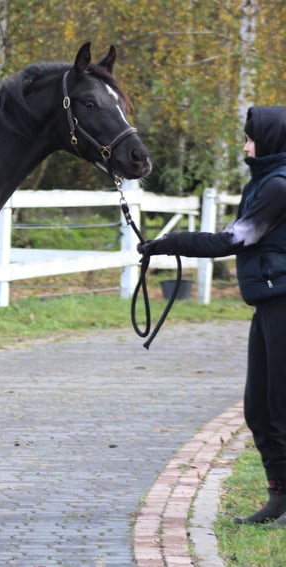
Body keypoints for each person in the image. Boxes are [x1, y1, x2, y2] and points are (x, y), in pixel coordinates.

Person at [139, 106, 286, 525]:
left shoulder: (278, 186)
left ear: (271, 140)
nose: (246, 147)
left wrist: (171, 243)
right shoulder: (265, 181)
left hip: (282, 301)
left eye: (251, 139)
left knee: (280, 406)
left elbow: (234, 239)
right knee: (259, 408)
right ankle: (280, 496)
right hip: (269, 301)